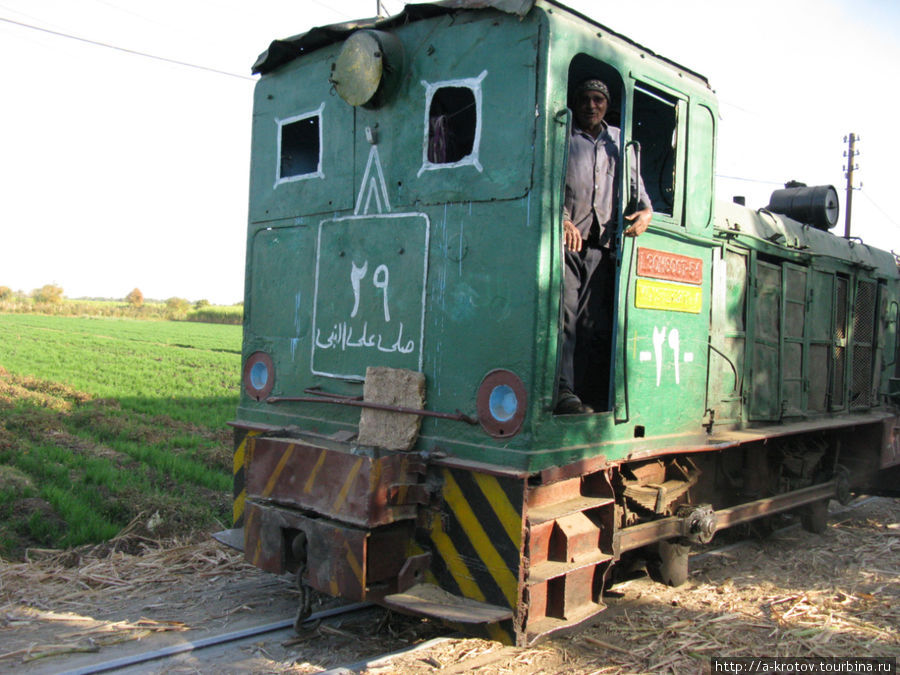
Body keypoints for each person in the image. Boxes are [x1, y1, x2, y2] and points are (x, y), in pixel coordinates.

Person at [556, 78, 652, 415]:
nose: (591, 105)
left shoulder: (618, 144)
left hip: (603, 247)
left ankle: (581, 392)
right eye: (585, 98)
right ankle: (563, 390)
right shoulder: (563, 137)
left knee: (589, 325)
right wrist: (561, 218)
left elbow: (640, 196)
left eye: (598, 99)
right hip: (568, 243)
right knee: (564, 317)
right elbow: (547, 184)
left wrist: (646, 215)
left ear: (606, 105)